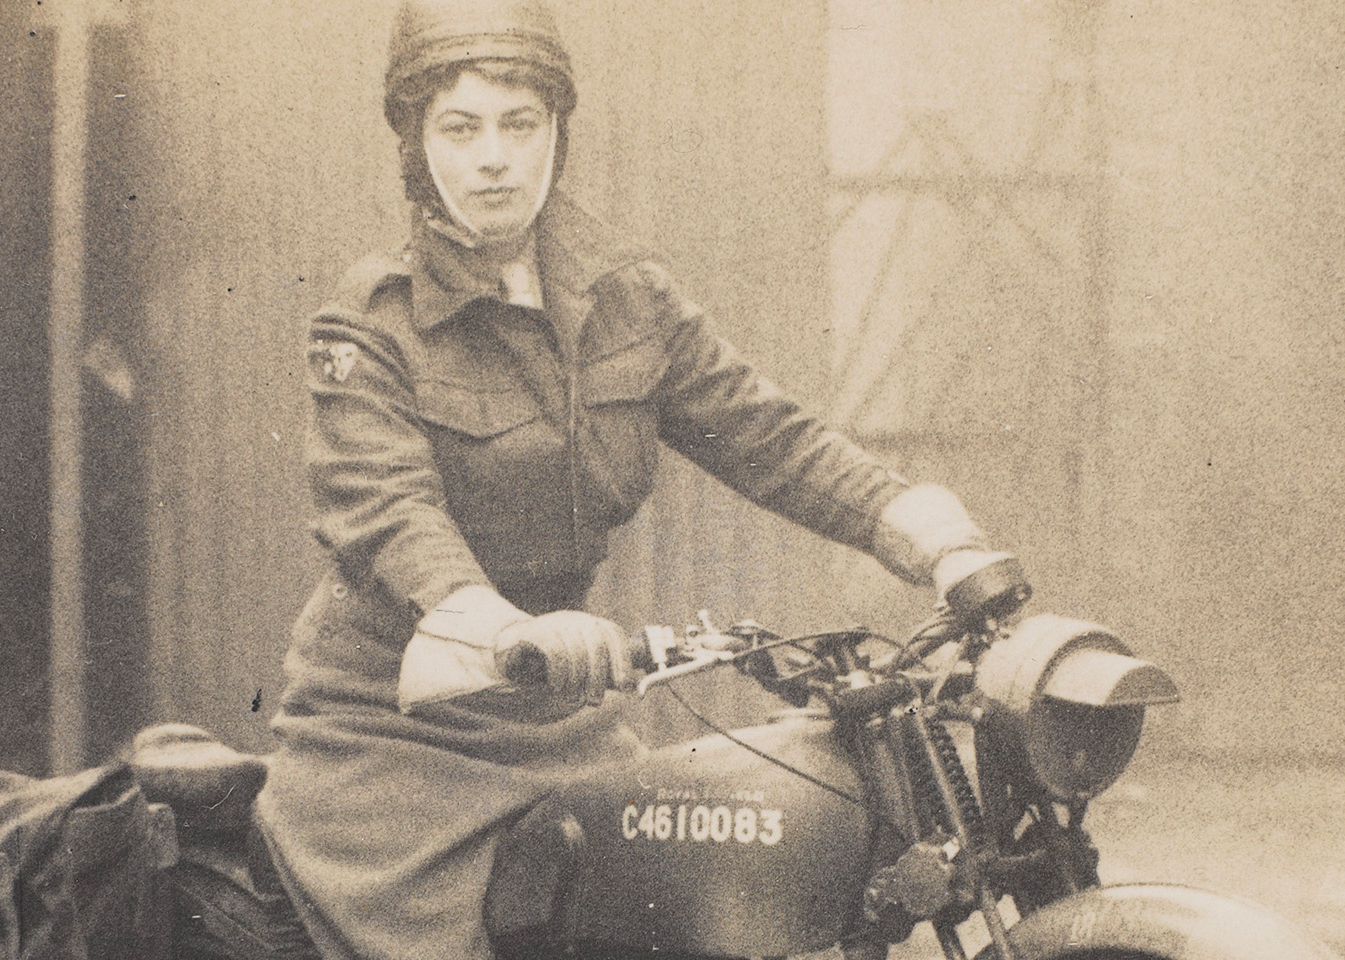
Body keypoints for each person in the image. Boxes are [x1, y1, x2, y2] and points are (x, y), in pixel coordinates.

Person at [252, 2, 1024, 958]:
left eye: (519, 123)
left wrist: (921, 529)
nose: (492, 157)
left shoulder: (626, 300)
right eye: (460, 128)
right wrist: (496, 625)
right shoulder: (371, 324)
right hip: (396, 738)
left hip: (559, 721)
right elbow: (392, 512)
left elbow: (768, 435)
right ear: (417, 144)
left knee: (682, 892)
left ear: (558, 133)